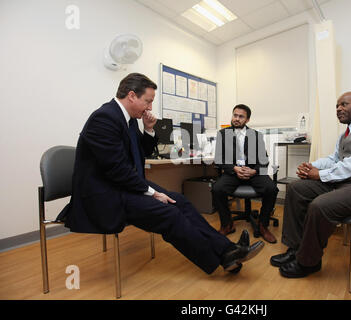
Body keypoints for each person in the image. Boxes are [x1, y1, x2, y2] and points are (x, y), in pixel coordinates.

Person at [58, 73, 264, 275]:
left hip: (122, 185)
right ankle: (221, 258)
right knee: (169, 213)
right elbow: (115, 169)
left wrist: (148, 129)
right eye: (147, 101)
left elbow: (142, 153)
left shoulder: (127, 119)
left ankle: (227, 250)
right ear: (131, 95)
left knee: (180, 202)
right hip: (104, 194)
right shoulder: (104, 118)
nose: (149, 108)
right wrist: (152, 193)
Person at [270, 91, 351, 278]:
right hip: (348, 183)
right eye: (337, 106)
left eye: (344, 104)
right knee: (297, 188)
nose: (339, 109)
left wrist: (320, 175)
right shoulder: (344, 135)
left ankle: (308, 262)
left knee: (320, 205)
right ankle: (296, 248)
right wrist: (312, 166)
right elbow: (335, 160)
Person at [212, 104, 279, 243]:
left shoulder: (255, 135)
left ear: (247, 120)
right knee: (217, 189)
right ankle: (227, 224)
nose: (236, 119)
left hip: (253, 172)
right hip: (233, 172)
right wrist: (234, 168)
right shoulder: (223, 134)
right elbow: (219, 159)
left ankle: (262, 225)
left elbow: (264, 160)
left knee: (271, 188)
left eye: (241, 116)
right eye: (235, 115)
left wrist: (254, 171)